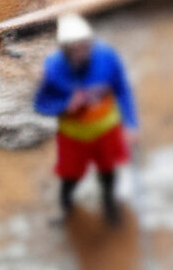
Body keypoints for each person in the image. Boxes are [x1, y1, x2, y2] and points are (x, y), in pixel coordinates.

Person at [34, 13, 137, 225]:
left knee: (108, 173)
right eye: (74, 49)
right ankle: (66, 208)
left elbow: (122, 90)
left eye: (85, 46)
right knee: (69, 177)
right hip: (74, 138)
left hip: (106, 132)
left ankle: (110, 209)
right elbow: (40, 104)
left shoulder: (107, 57)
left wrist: (130, 124)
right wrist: (65, 104)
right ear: (64, 49)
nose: (81, 53)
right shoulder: (53, 68)